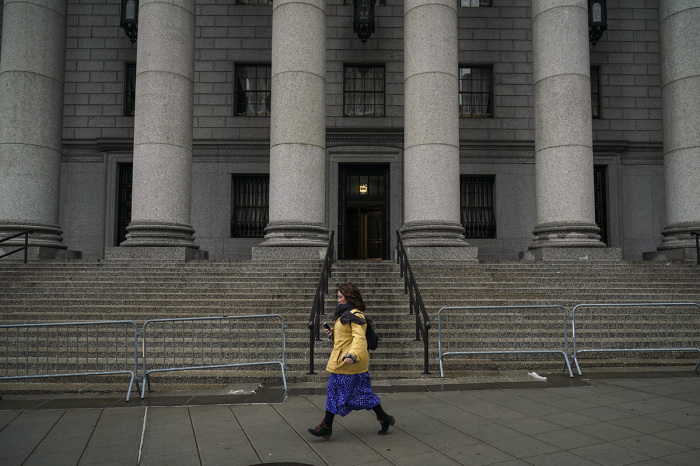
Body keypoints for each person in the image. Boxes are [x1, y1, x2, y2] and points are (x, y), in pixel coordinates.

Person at [308, 282, 395, 440]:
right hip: (345, 360)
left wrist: (352, 355)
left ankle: (326, 427)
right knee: (358, 393)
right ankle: (384, 418)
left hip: (348, 361)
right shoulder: (345, 314)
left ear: (349, 297)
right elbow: (346, 337)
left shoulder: (355, 315)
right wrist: (333, 334)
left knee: (335, 391)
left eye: (341, 297)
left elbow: (359, 338)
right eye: (338, 296)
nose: (338, 300)